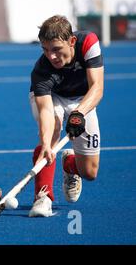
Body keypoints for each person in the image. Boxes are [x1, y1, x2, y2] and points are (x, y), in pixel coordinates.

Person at [28, 15, 104, 217]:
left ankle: (69, 164)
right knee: (52, 130)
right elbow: (45, 110)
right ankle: (43, 198)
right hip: (53, 98)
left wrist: (79, 113)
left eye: (56, 49)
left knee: (89, 172)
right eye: (45, 49)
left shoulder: (88, 42)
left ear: (71, 42)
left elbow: (97, 87)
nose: (51, 56)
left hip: (83, 99)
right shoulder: (41, 71)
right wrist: (45, 143)